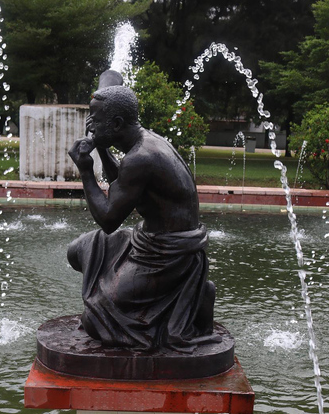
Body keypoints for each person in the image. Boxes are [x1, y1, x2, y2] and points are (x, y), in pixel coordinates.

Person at [67, 77, 219, 353]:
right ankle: (179, 296)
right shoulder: (144, 142)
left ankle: (192, 295)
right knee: (77, 250)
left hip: (169, 255)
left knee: (95, 321)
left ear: (116, 125)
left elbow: (109, 220)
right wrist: (100, 145)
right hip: (150, 239)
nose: (89, 125)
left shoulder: (141, 157)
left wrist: (85, 171)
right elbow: (121, 184)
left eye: (95, 119)